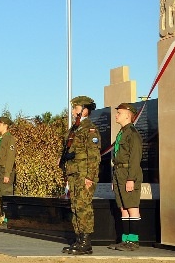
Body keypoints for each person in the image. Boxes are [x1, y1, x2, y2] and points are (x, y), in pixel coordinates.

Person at [61, 95, 102, 255]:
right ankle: (78, 239)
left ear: (84, 110)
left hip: (84, 174)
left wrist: (90, 177)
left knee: (84, 207)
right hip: (74, 173)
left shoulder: (90, 129)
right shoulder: (74, 129)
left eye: (75, 108)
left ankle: (86, 242)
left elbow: (94, 156)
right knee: (76, 207)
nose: (72, 111)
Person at [108, 103, 143, 251]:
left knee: (132, 206)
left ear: (128, 115)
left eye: (119, 113)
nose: (116, 115)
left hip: (129, 173)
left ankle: (133, 241)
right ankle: (125, 240)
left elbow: (135, 158)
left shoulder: (132, 133)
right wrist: (114, 179)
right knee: (123, 207)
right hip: (119, 173)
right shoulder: (122, 133)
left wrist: (131, 179)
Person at [0, 116, 16, 225]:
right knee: (1, 194)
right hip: (0, 170)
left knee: (7, 194)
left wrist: (7, 173)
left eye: (0, 124)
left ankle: (9, 218)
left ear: (6, 125)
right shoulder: (1, 138)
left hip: (6, 170)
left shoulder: (9, 138)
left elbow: (10, 158)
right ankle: (4, 216)